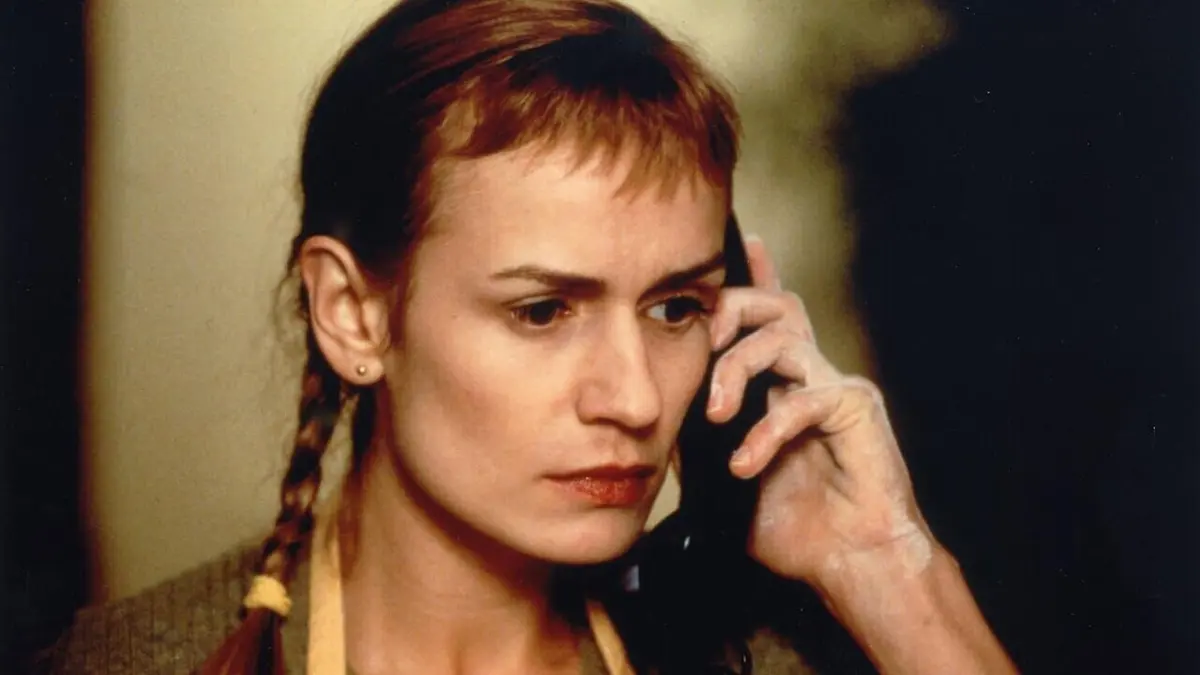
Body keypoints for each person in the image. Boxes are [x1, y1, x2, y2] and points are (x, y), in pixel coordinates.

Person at [36, 1, 1018, 673]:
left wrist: (888, 571)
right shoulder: (137, 662)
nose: (634, 398)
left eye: (676, 307)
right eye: (543, 311)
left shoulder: (763, 661)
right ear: (351, 311)